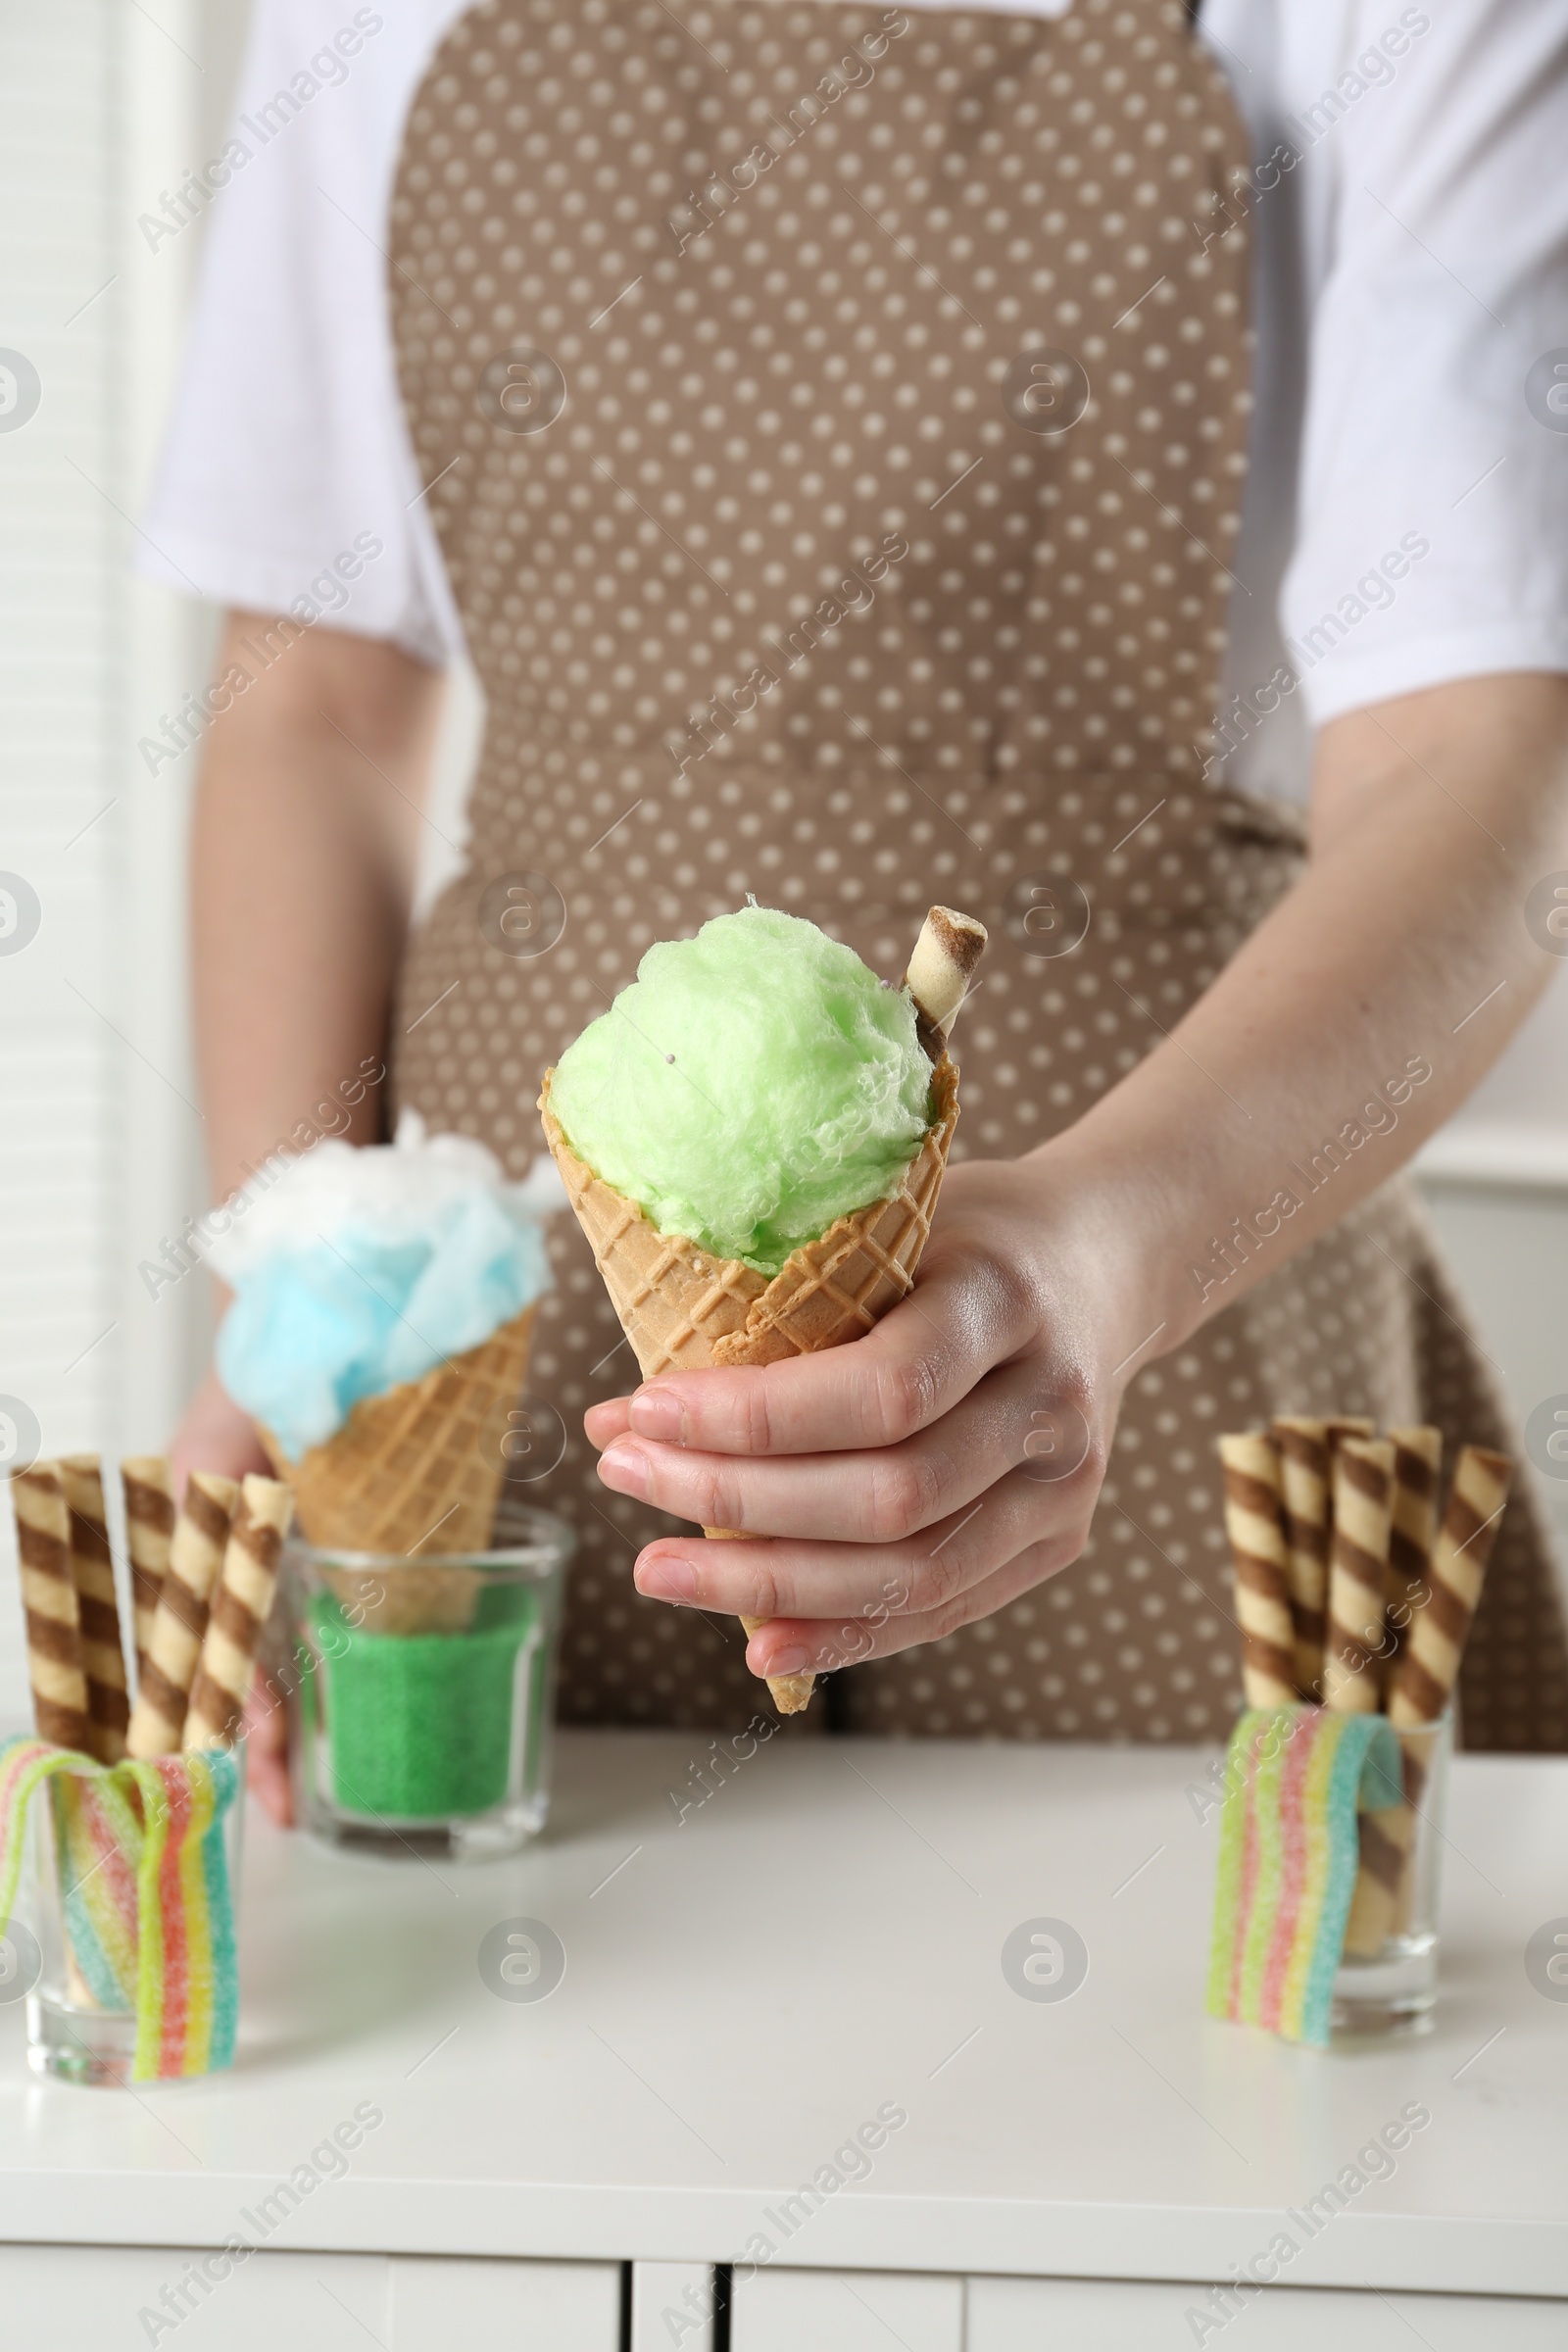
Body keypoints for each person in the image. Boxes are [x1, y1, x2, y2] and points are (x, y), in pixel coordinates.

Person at [145, 0, 1568, 1819]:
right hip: (513, 1343)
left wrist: (1104, 1258)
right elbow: (314, 711)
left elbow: (1479, 759)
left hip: (1184, 1283)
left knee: (1203, 2072)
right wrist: (300, 1307)